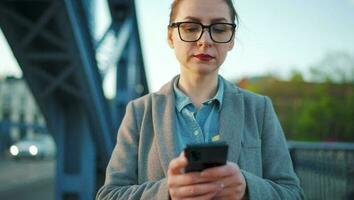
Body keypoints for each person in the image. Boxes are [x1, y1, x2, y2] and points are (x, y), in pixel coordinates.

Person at [96, 0, 304, 199]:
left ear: (231, 39)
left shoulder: (260, 109)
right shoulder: (139, 112)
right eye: (190, 27)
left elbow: (293, 193)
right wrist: (166, 192)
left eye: (220, 29)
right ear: (170, 36)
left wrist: (247, 188)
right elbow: (109, 195)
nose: (205, 40)